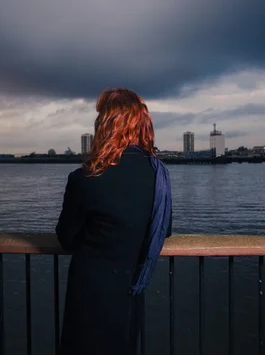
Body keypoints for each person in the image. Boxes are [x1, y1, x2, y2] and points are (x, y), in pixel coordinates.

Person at [55, 87, 173, 355]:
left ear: (105, 126)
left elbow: (66, 237)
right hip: (131, 288)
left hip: (89, 291)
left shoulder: (84, 177)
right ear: (142, 124)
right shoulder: (158, 175)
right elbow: (161, 230)